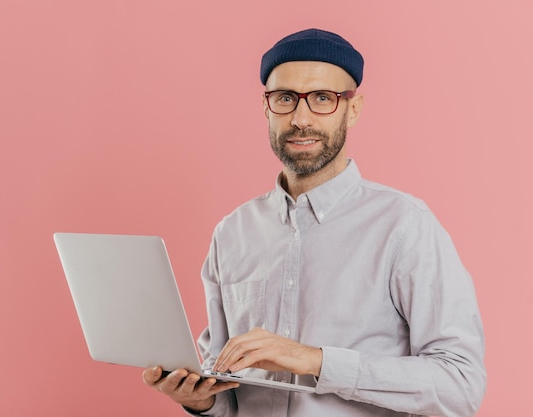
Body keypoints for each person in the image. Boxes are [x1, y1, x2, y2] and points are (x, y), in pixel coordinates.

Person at [143, 28, 486, 417]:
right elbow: (227, 392)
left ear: (352, 110)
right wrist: (201, 400)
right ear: (266, 107)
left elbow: (461, 385)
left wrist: (316, 361)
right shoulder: (232, 233)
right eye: (285, 98)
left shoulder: (405, 226)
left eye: (322, 98)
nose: (300, 118)